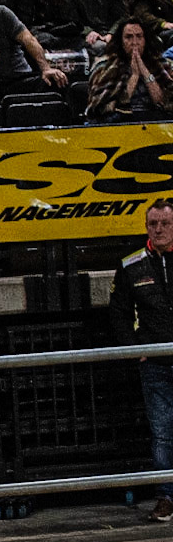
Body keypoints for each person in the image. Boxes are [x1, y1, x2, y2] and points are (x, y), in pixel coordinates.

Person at [109, 199, 173, 523]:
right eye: (153, 224)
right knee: (162, 432)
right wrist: (135, 349)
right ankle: (166, 497)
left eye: (164, 223)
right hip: (156, 362)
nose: (158, 229)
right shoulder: (131, 265)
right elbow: (119, 313)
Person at [87, 20, 173, 121]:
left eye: (139, 36)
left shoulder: (158, 63)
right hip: (118, 124)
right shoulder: (105, 66)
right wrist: (134, 75)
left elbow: (162, 101)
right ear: (121, 41)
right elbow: (103, 108)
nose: (135, 42)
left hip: (155, 122)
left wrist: (145, 71)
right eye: (129, 37)